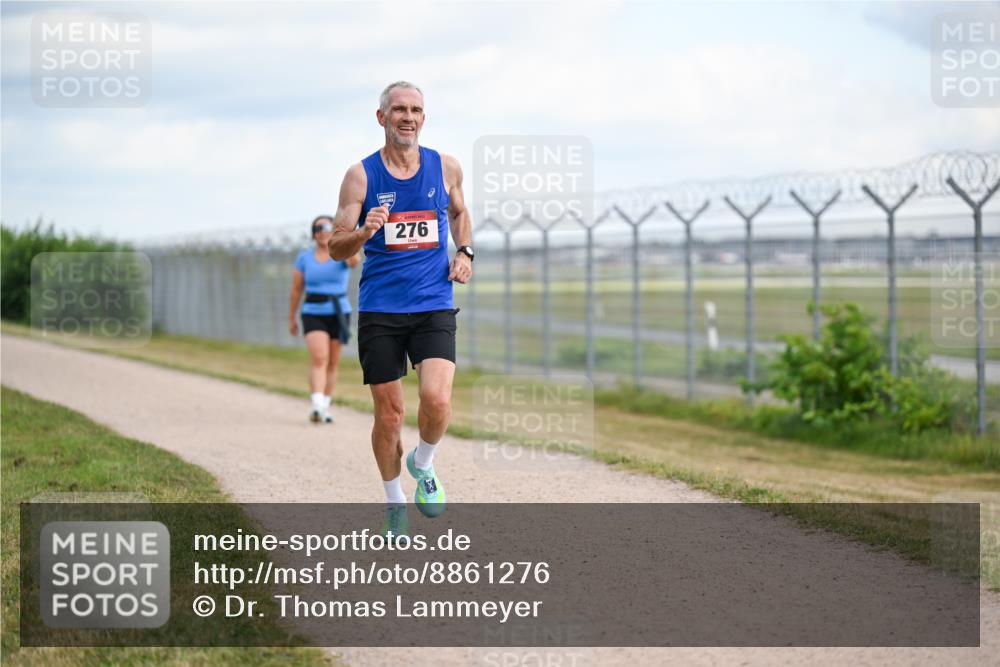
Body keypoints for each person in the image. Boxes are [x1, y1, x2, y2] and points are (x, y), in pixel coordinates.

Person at [328, 81, 473, 540]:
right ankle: (394, 502)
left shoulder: (445, 166)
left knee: (438, 399)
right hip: (381, 309)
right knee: (389, 414)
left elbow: (459, 212)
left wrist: (465, 252)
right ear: (382, 117)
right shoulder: (362, 176)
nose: (407, 117)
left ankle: (423, 463)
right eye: (398, 110)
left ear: (423, 118)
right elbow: (335, 246)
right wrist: (363, 233)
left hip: (433, 302)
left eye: (415, 110)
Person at [289, 215, 360, 423]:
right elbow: (296, 289)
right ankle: (317, 405)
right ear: (313, 233)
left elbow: (354, 261)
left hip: (339, 311)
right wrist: (291, 317)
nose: (323, 231)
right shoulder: (304, 258)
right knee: (320, 358)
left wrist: (346, 244)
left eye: (328, 226)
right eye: (318, 227)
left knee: (332, 362)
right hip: (313, 311)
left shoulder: (341, 255)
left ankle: (325, 406)